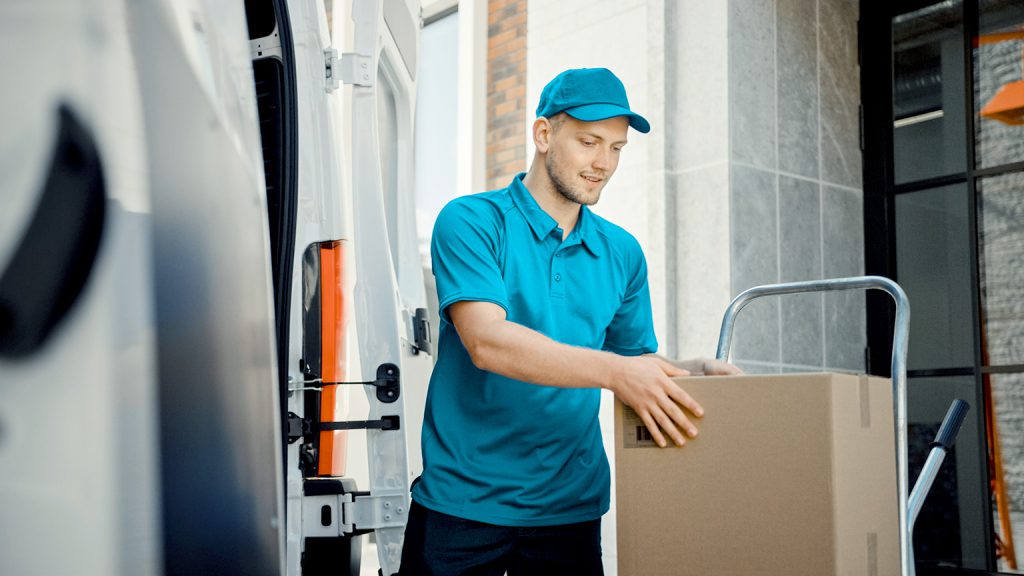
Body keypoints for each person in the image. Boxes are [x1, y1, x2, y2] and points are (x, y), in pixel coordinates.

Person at [399, 68, 741, 575]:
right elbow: (487, 342)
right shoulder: (472, 221)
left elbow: (632, 362)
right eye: (588, 142)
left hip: (570, 512)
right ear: (543, 134)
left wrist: (692, 372)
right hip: (463, 505)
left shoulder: (622, 252)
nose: (604, 163)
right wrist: (617, 372)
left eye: (616, 148)